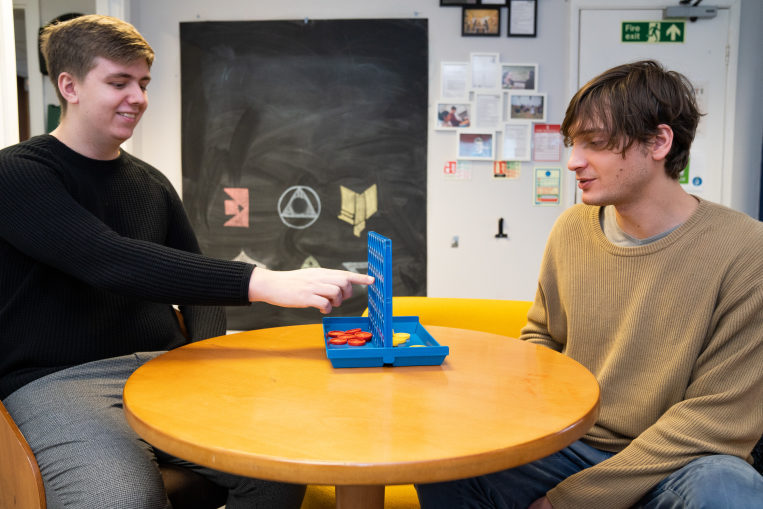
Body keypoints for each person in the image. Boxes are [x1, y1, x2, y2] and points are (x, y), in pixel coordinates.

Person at [0, 14, 373, 509]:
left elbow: (195, 289)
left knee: (277, 468)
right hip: (58, 381)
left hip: (163, 371)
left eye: (143, 83)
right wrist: (262, 282)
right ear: (68, 85)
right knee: (121, 501)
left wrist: (203, 363)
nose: (138, 98)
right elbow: (107, 259)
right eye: (119, 82)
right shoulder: (17, 175)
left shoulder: (150, 181)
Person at [416, 60, 762, 508]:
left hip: (678, 468)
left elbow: (718, 419)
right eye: (573, 144)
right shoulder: (573, 229)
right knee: (444, 444)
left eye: (595, 144)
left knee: (728, 489)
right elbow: (543, 340)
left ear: (659, 141)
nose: (574, 162)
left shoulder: (746, 248)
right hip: (571, 448)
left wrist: (570, 501)